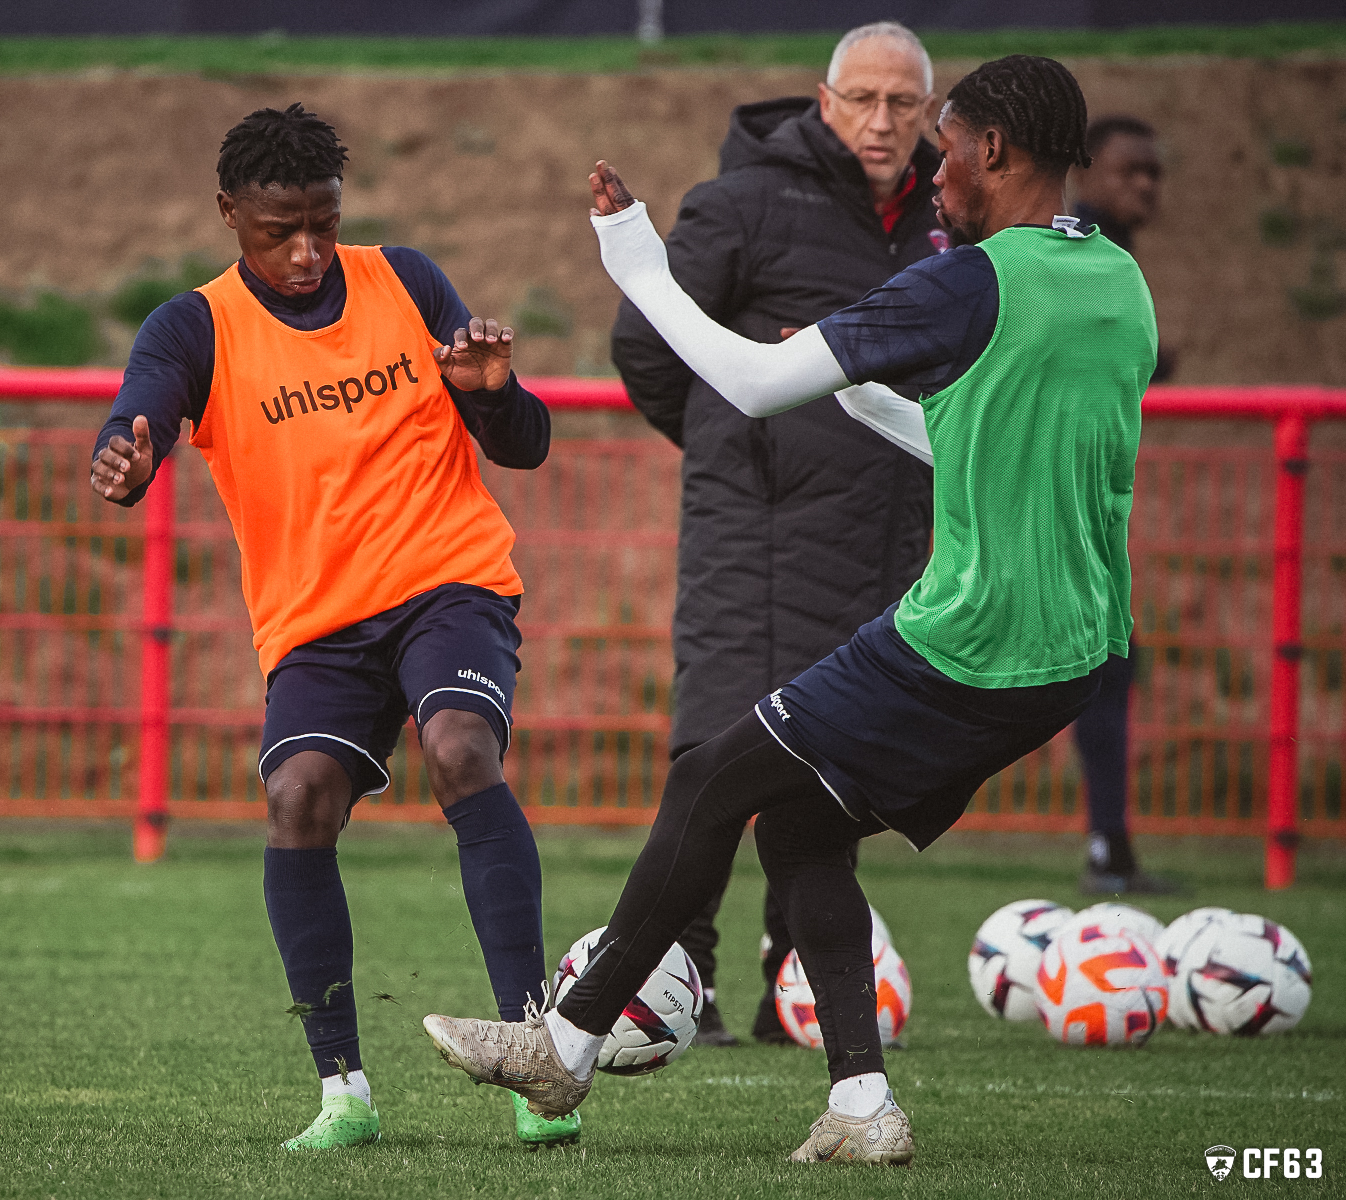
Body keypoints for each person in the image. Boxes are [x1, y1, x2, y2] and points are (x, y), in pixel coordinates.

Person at [424, 55, 1156, 1167]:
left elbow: (753, 382)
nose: (931, 164)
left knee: (705, 777)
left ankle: (562, 1049)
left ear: (994, 153)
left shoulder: (970, 279)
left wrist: (637, 265)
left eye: (943, 142)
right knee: (801, 822)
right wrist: (866, 396)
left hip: (969, 635)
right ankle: (860, 1108)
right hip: (1076, 647)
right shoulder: (1113, 278)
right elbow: (994, 454)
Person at [88, 104, 579, 1151]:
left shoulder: (405, 280)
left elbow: (524, 442)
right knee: (297, 794)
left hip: (447, 584)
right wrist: (125, 460)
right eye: (279, 229)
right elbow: (144, 407)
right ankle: (343, 1090)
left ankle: (536, 1056)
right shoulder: (196, 325)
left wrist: (493, 399)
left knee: (460, 748)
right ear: (229, 215)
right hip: (317, 624)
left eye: (322, 221)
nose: (307, 249)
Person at [609, 20, 941, 1047]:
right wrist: (734, 449)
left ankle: (791, 988)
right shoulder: (743, 201)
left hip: (883, 537)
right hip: (750, 532)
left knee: (826, 770)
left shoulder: (948, 220)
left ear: (930, 112)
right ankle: (681, 979)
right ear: (822, 97)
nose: (882, 122)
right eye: (863, 99)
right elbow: (646, 342)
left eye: (904, 104)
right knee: (714, 753)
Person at [1067, 114, 1178, 894]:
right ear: (1087, 171)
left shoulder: (1106, 247)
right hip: (1049, 497)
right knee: (1099, 665)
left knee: (1108, 663)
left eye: (1155, 173)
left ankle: (1112, 847)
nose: (1145, 186)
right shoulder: (1081, 244)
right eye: (1129, 169)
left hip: (1077, 498)